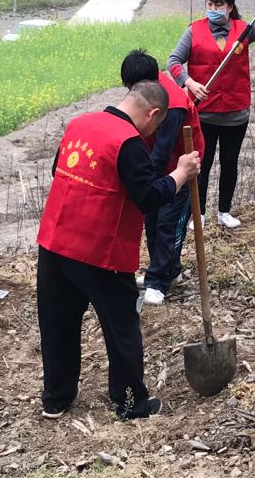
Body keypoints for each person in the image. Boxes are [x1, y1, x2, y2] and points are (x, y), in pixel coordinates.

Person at [35, 79, 201, 419]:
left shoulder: (79, 124)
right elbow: (148, 196)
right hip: (100, 250)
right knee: (121, 328)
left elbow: (58, 172)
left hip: (54, 241)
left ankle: (56, 398)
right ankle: (130, 403)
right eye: (157, 124)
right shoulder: (128, 142)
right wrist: (181, 173)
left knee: (57, 324)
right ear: (153, 114)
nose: (154, 132)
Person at [167, 0, 255, 229]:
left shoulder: (244, 30)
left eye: (218, 5)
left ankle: (224, 211)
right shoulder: (194, 31)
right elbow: (174, 62)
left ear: (230, 7)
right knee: (202, 164)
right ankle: (199, 213)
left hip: (235, 112)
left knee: (229, 163)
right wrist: (189, 82)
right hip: (204, 113)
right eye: (210, 4)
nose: (213, 9)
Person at [119, 50, 200, 308]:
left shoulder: (172, 104)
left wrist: (144, 184)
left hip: (182, 167)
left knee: (168, 223)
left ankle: (158, 282)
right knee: (152, 221)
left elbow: (162, 152)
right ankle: (166, 270)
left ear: (148, 83)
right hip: (157, 167)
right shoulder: (146, 93)